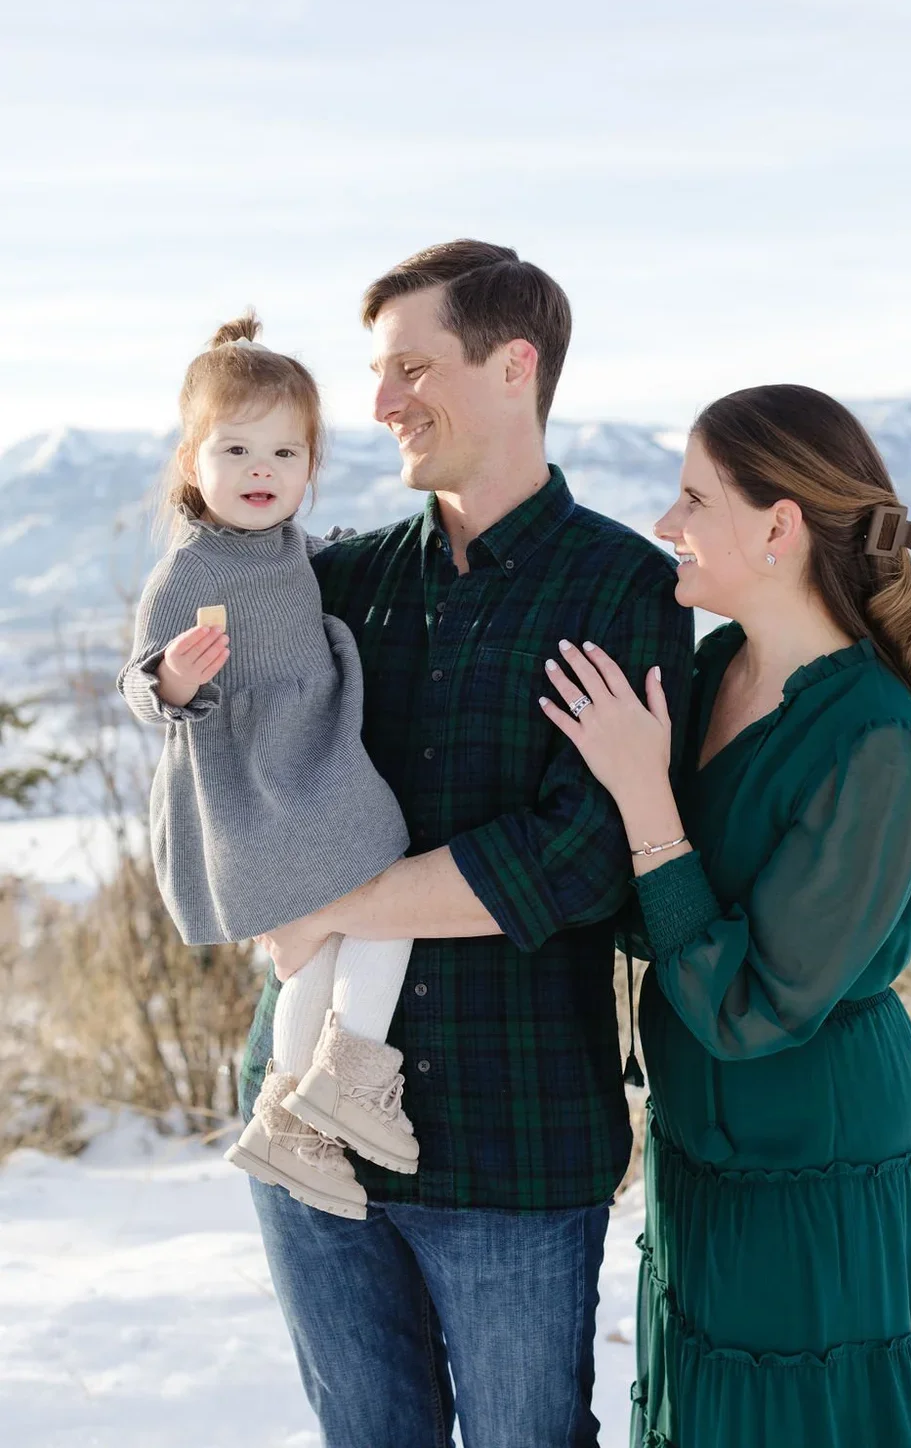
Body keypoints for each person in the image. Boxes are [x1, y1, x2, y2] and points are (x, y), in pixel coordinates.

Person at [239, 240, 693, 1448]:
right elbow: (239, 786)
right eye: (376, 374)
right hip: (303, 1122)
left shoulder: (626, 590)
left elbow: (579, 858)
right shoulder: (336, 584)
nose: (381, 404)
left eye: (410, 367)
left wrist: (327, 902)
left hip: (511, 1135)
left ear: (512, 366)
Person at [538, 384, 911, 1448]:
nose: (667, 523)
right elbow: (653, 913)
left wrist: (643, 797)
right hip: (701, 1142)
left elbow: (748, 1006)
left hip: (817, 1153)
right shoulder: (711, 670)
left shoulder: (871, 737)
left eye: (695, 498)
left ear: (779, 527)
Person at [118, 314, 420, 1220]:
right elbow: (140, 686)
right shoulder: (189, 571)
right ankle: (345, 1081)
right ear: (192, 463)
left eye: (286, 453)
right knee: (390, 894)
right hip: (258, 789)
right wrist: (173, 679)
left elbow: (317, 570)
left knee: (325, 946)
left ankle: (295, 1114)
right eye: (238, 450)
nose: (263, 471)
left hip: (305, 776)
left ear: (310, 465)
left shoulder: (289, 546)